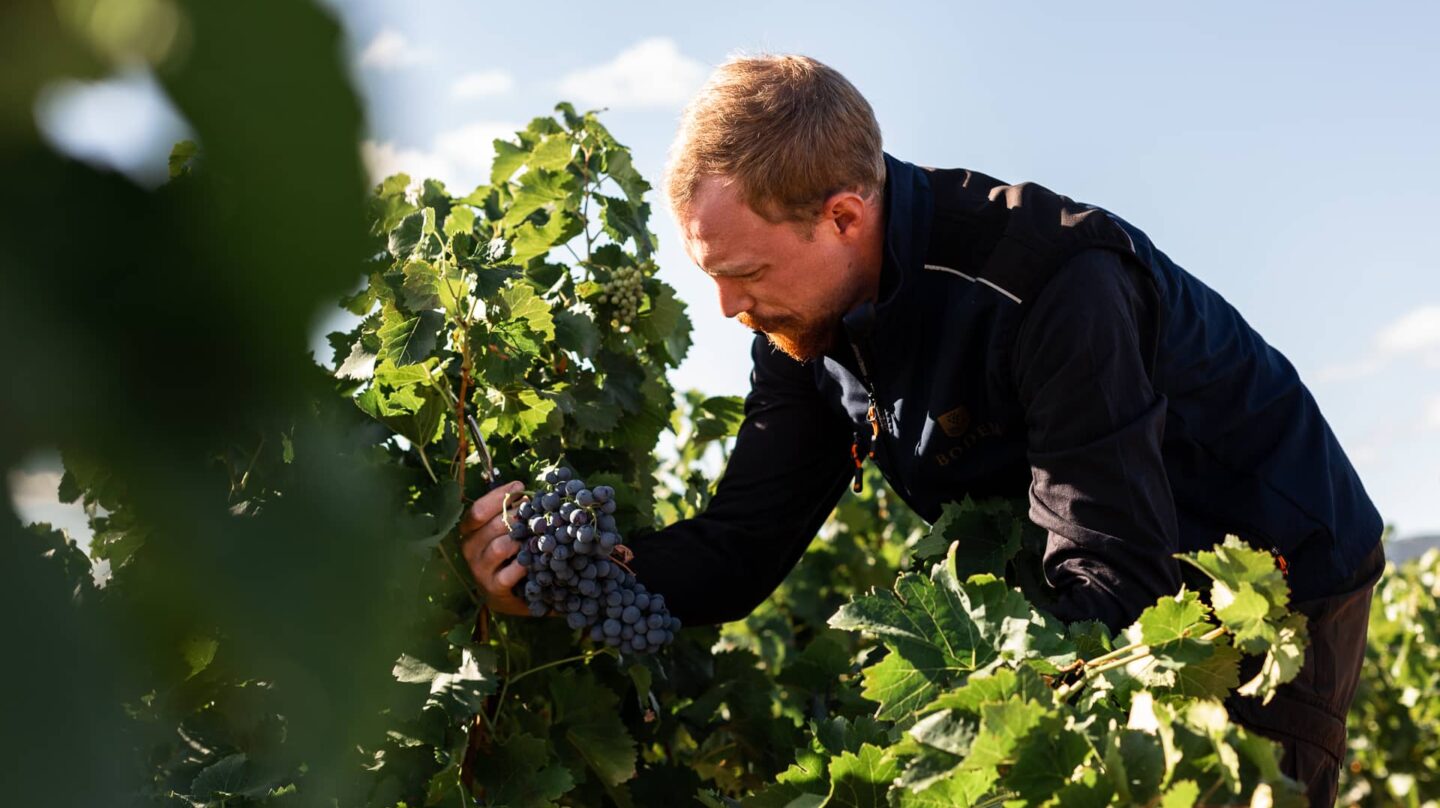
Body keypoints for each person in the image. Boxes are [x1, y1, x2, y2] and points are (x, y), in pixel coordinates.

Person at [459, 54, 1384, 806]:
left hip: (1277, 575)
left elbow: (1114, 580)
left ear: (843, 216)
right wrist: (551, 574)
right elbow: (742, 548)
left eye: (740, 272)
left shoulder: (1051, 285)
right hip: (1099, 571)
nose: (727, 307)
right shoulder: (800, 328)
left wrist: (959, 745)